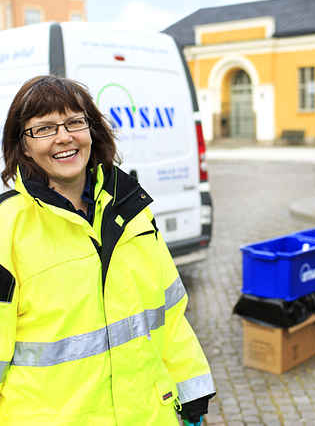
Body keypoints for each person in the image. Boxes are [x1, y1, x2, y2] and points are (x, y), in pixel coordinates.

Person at [0, 75, 216, 425]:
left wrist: (192, 393)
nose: (64, 137)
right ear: (22, 146)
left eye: (74, 122)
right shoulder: (6, 228)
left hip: (147, 415)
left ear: (91, 131)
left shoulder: (133, 211)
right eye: (44, 128)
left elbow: (171, 310)